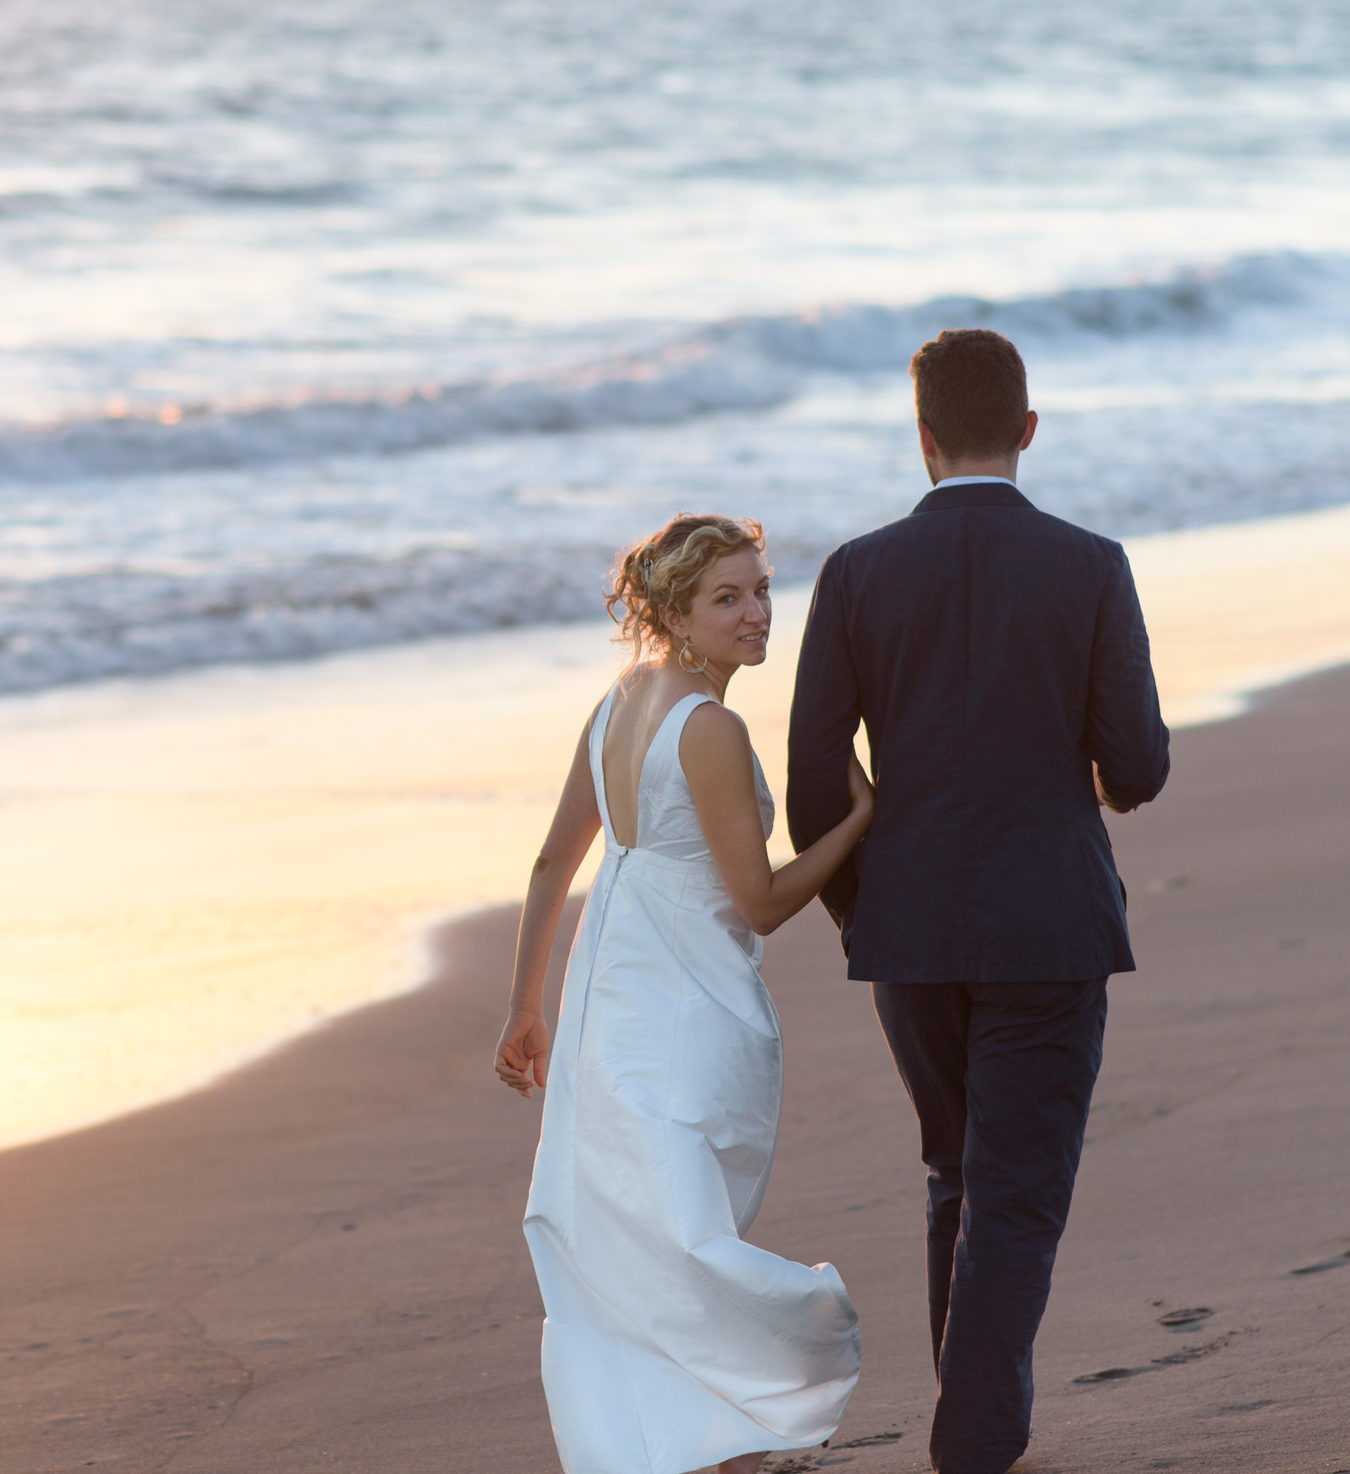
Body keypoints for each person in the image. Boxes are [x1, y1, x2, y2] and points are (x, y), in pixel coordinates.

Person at [785, 328, 1171, 1474]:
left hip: (907, 933)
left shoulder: (855, 570)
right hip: (1048, 919)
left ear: (921, 435)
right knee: (1015, 1187)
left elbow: (812, 786)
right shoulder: (1090, 562)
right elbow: (1136, 766)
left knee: (959, 1166)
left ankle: (976, 1417)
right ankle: (974, 1439)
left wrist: (866, 911)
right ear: (1029, 430)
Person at [497, 513, 877, 1474]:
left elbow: (553, 861)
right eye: (728, 597)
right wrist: (862, 820)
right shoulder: (707, 726)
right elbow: (758, 902)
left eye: (760, 588)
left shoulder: (618, 700)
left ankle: (680, 1438)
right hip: (680, 995)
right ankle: (723, 1419)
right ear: (673, 611)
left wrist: (528, 1006)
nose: (757, 613)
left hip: (608, 985)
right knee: (681, 1223)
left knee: (643, 1218)